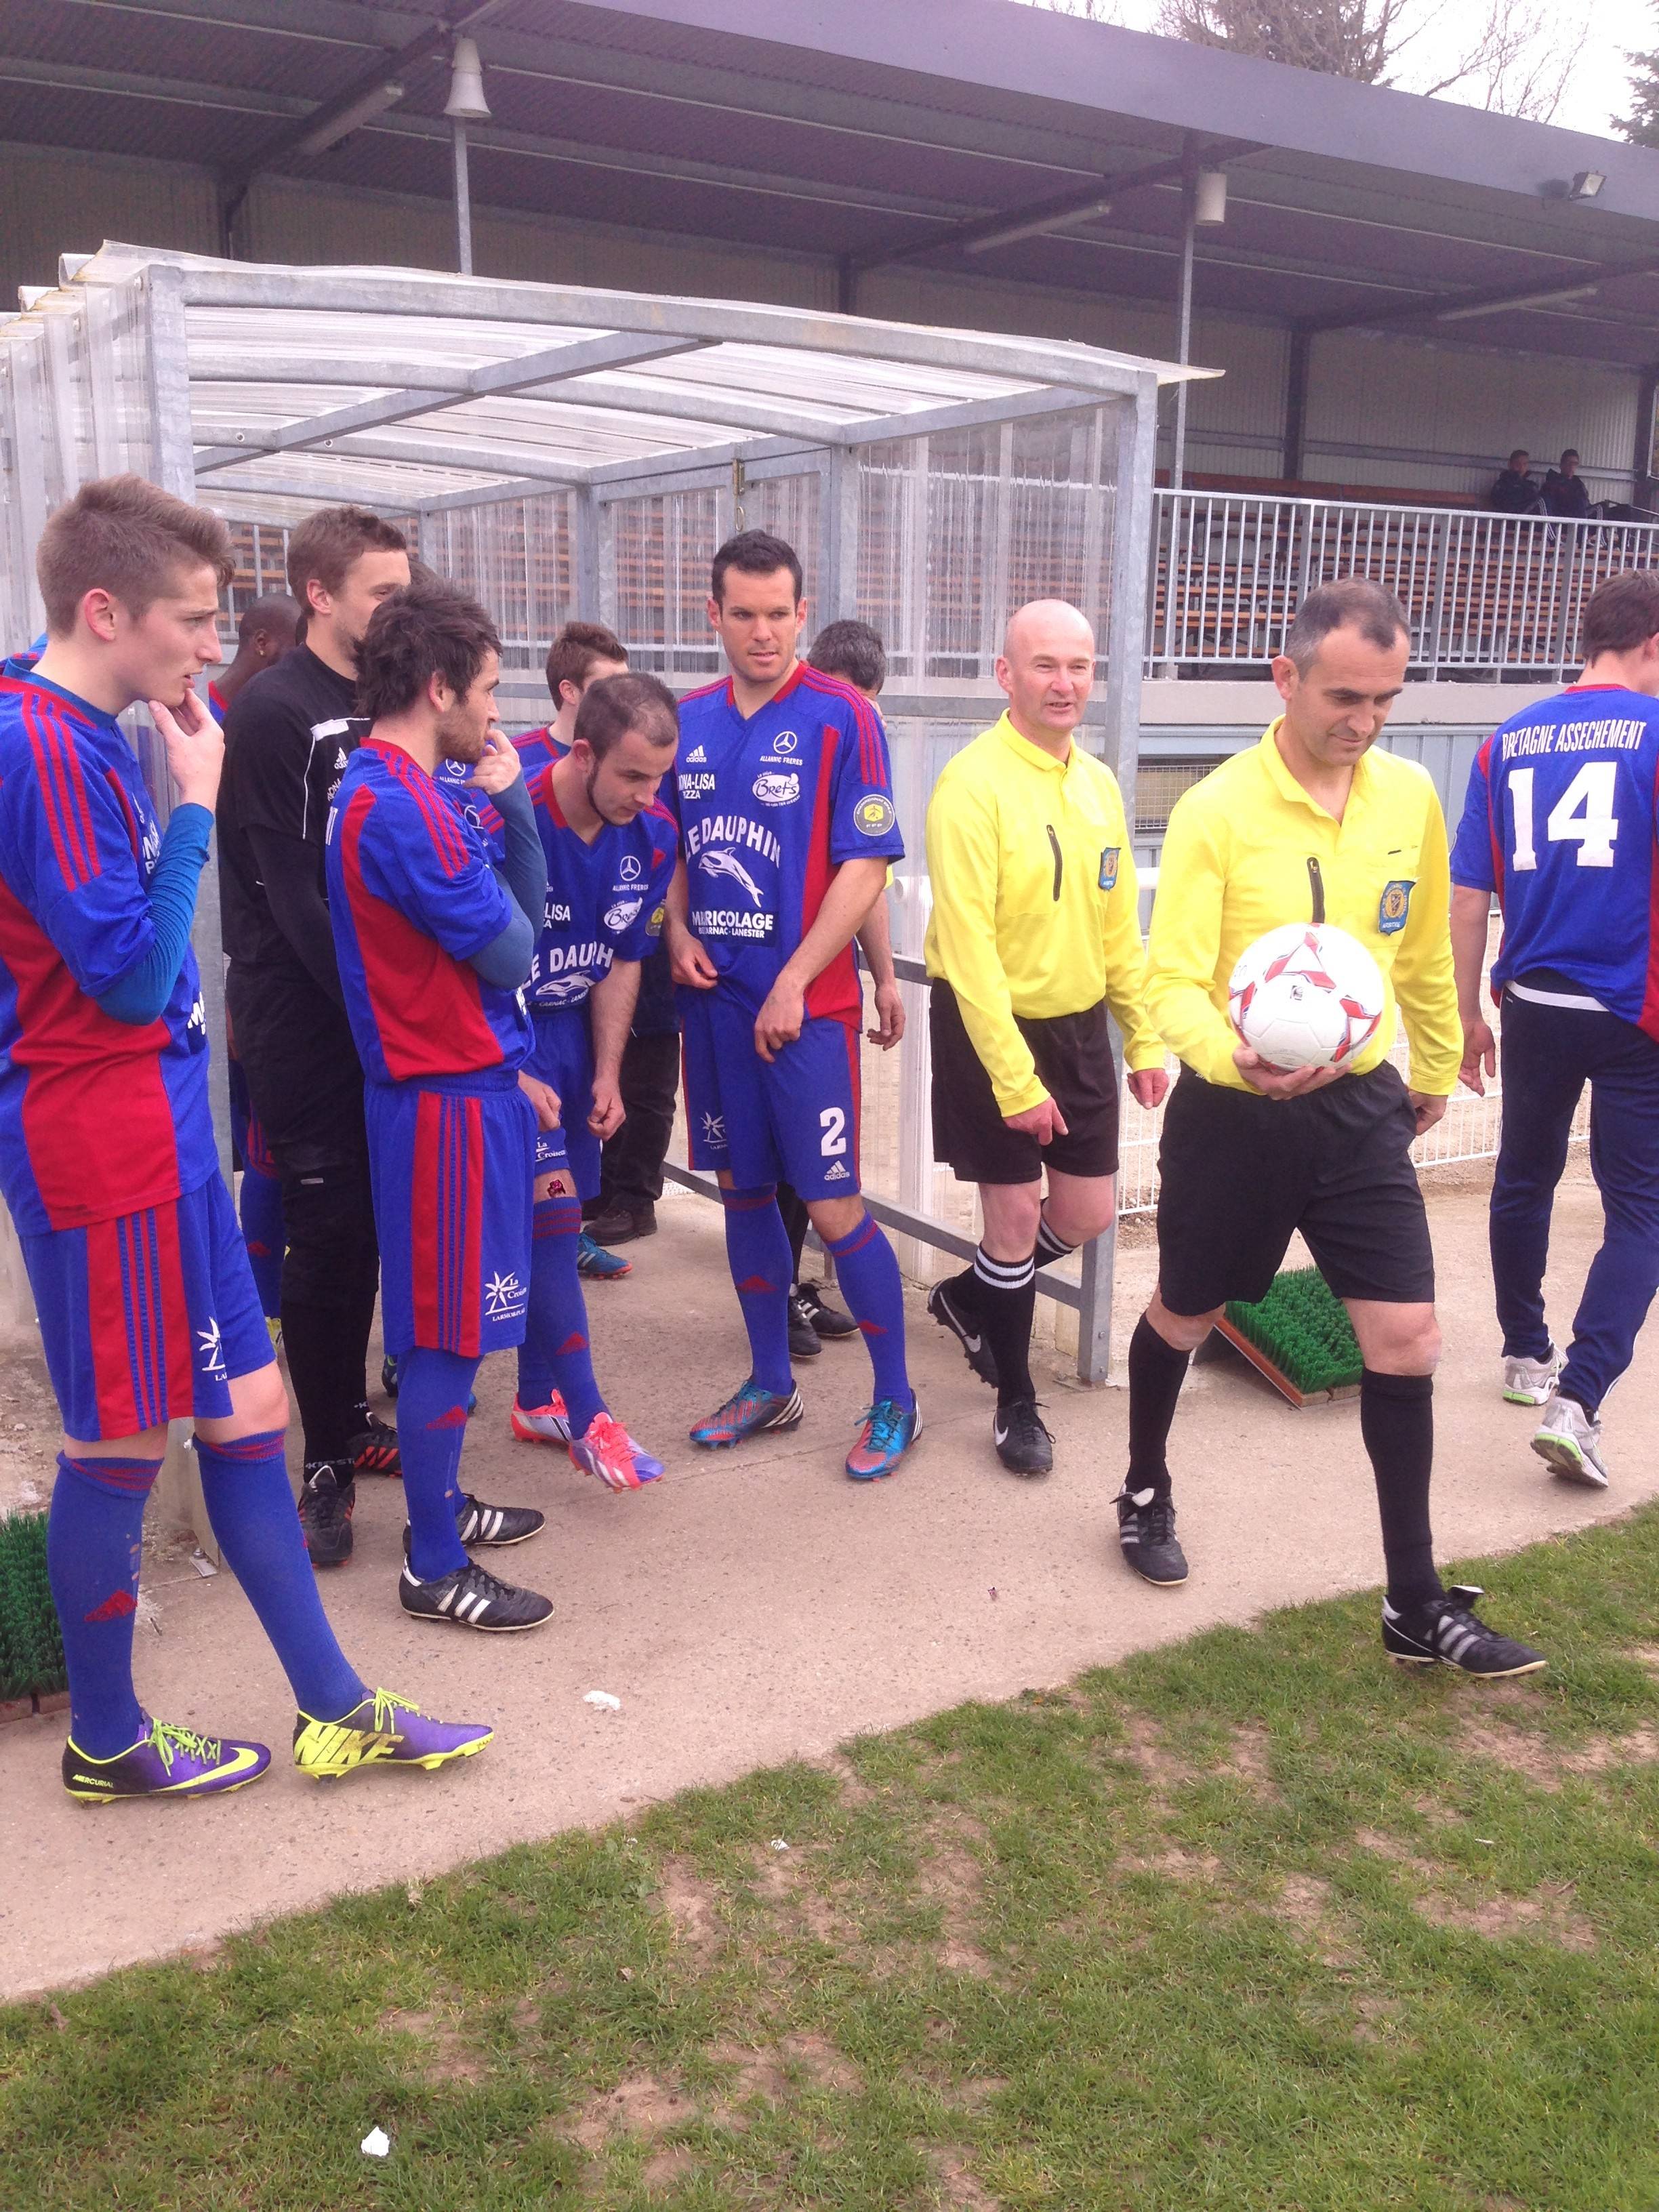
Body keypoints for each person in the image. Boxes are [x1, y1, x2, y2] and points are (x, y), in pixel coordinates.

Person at [0, 475, 490, 1799]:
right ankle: (106, 1738)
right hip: (99, 1145)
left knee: (251, 1403)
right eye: (195, 620)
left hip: (161, 1132)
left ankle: (335, 1707)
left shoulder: (85, 717)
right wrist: (200, 801)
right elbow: (125, 974)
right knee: (115, 1440)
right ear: (106, 612)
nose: (214, 647)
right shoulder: (41, 741)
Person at [1128, 575, 1546, 1676]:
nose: (1360, 722)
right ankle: (1141, 1486)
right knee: (1186, 1308)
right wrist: (1230, 1055)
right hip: (1232, 1112)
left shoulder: (1408, 795)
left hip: (1359, 1107)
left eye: (1383, 700)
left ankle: (1412, 1599)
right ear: (1286, 676)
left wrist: (1435, 1064)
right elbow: (1167, 978)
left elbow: (1412, 950)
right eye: (1343, 697)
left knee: (1404, 1335)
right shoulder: (1217, 807)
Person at [664, 529, 920, 1480]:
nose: (764, 633)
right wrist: (677, 931)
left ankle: (897, 1397)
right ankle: (771, 1381)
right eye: (745, 615)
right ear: (715, 615)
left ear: (802, 613)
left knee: (832, 1199)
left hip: (804, 1009)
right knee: (740, 1192)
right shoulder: (686, 718)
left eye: (780, 614)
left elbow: (864, 866)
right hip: (714, 1008)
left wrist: (798, 978)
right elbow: (675, 850)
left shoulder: (843, 716)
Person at [326, 577, 556, 1633]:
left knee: (446, 1327)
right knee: (446, 1338)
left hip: (455, 1093)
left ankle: (441, 1503)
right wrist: (508, 810)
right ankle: (429, 1562)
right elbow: (517, 950)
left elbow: (523, 923)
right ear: (436, 686)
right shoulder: (400, 805)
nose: (496, 713)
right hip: (443, 1102)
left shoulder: (402, 789)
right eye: (490, 692)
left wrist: (504, 807)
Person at [924, 600, 1168, 1475]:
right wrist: (1014, 1080)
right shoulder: (972, 786)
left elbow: (1117, 931)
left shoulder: (1099, 785)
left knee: (1088, 1210)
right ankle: (1015, 1399)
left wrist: (1142, 1036)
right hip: (989, 1026)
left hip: (1076, 1028)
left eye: (1079, 666)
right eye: (1044, 666)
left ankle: (968, 1296)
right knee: (1017, 1215)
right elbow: (970, 950)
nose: (1064, 683)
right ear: (1007, 674)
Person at [218, 507, 409, 1568]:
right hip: (306, 1016)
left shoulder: (386, 700)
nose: (401, 606)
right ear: (321, 596)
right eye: (383, 591)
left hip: (382, 1013)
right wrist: (391, 1014)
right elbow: (291, 897)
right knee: (324, 1227)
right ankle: (321, 1465)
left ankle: (346, 1420)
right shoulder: (274, 709)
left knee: (372, 1229)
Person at [1450, 569, 1659, 1490]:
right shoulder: (1654, 735)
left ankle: (1524, 1358)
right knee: (1642, 1210)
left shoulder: (1505, 742)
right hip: (1633, 1011)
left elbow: (1469, 897)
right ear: (1650, 645)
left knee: (1524, 1178)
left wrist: (1466, 1015)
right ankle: (1578, 1400)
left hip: (1530, 1002)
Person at [505, 672, 678, 1486]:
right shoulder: (506, 815)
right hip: (507, 1038)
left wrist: (609, 1071)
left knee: (561, 1221)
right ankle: (589, 1413)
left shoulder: (652, 835)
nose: (646, 795)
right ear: (583, 753)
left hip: (576, 1039)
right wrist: (503, 1063)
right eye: (632, 777)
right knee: (542, 1220)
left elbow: (619, 959)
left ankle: (535, 1398)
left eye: (658, 778)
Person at [441, 619, 636, 1284]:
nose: (625, 705)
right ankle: (438, 1337)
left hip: (571, 1017)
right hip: (504, 1023)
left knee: (562, 1193)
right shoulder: (507, 773)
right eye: (609, 691)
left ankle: (564, 1252)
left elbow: (624, 943)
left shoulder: (636, 799)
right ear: (569, 693)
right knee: (489, 1199)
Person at [777, 617, 909, 1360]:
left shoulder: (858, 740)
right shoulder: (783, 735)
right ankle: (776, 1299)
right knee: (766, 1172)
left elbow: (867, 871)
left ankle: (798, 1288)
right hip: (758, 990)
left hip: (823, 997)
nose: (859, 718)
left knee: (821, 1169)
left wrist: (886, 975)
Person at [208, 594, 300, 720]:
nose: (304, 660)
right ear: (262, 643)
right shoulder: (195, 715)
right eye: (298, 649)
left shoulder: (279, 714)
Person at [1542, 451, 1597, 520]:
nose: (1572, 467)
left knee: (1604, 508)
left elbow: (1586, 505)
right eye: (1569, 463)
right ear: (1561, 465)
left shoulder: (1578, 484)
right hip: (1562, 520)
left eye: (1575, 464)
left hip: (1581, 518)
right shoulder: (1552, 483)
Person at [1488, 451, 1546, 518]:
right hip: (1507, 521)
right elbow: (1502, 506)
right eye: (1517, 464)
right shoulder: (1501, 485)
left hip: (1527, 523)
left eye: (1525, 464)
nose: (1521, 467)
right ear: (1510, 464)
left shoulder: (1532, 486)